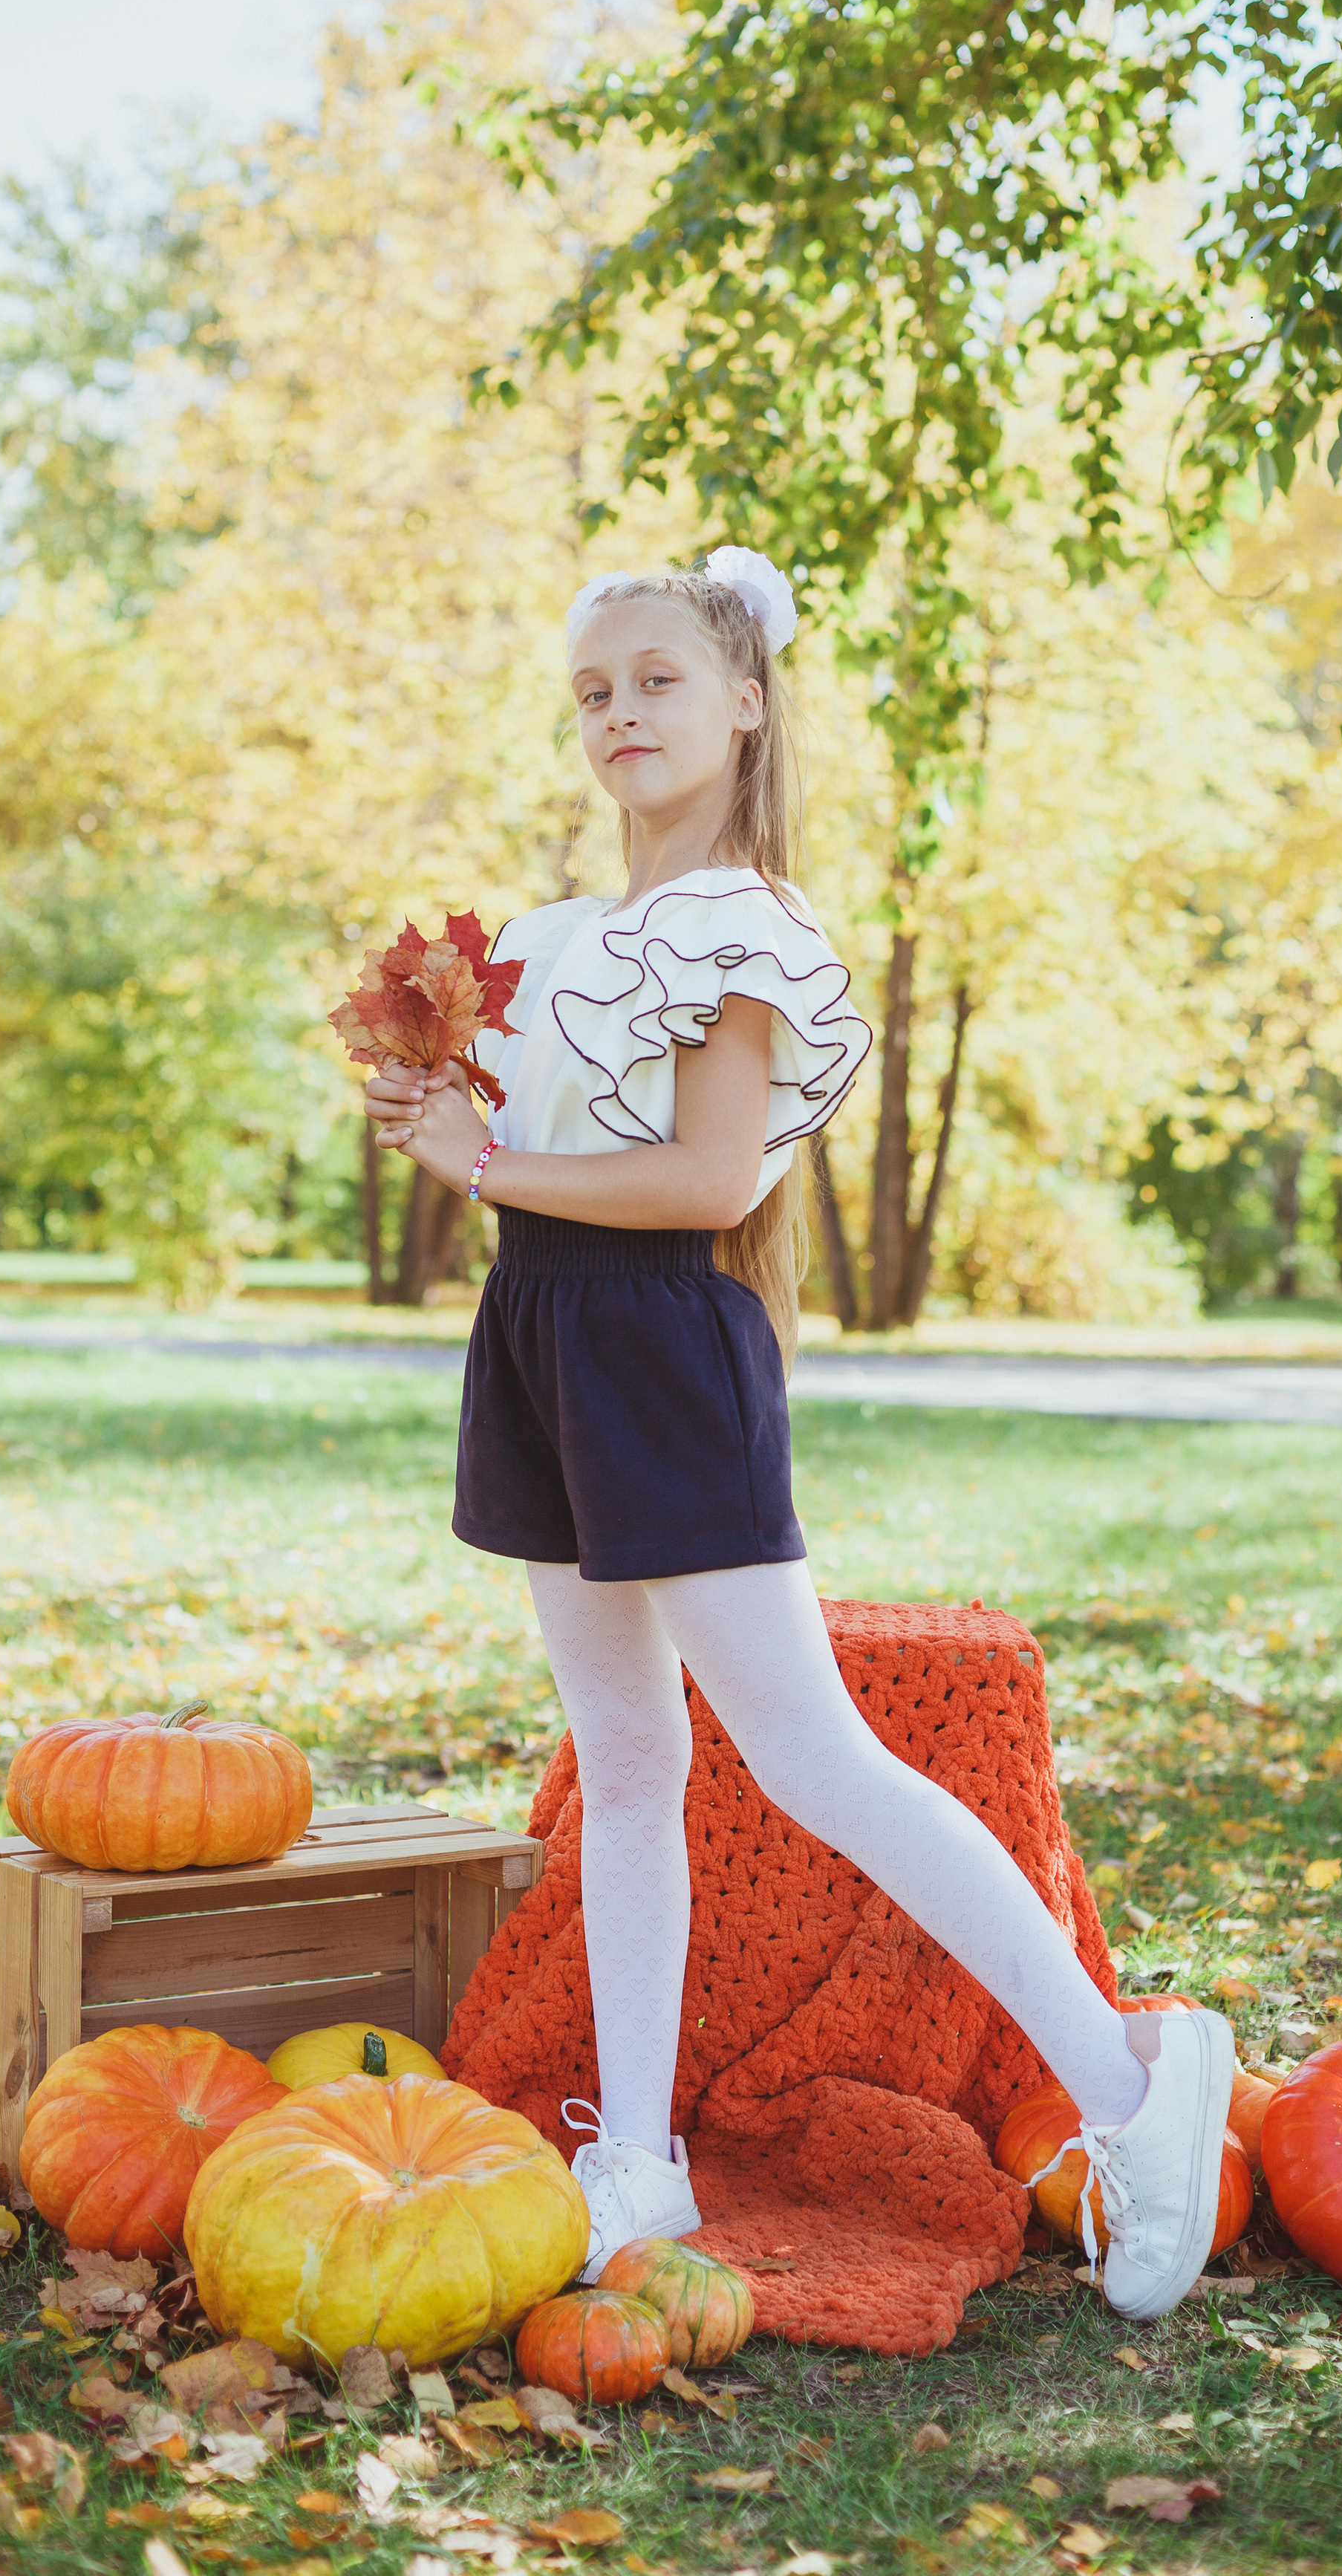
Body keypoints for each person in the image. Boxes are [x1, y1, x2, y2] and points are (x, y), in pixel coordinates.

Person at [364, 546, 1232, 2321]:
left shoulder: (742, 922)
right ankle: (637, 2161)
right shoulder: (549, 943)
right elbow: (551, 1151)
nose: (619, 712)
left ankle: (1130, 2082)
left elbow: (698, 1181)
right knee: (623, 1761)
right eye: (594, 689)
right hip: (539, 1330)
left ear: (744, 701)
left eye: (658, 681)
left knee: (805, 1752)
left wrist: (486, 1162)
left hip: (663, 1345)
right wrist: (437, 1098)